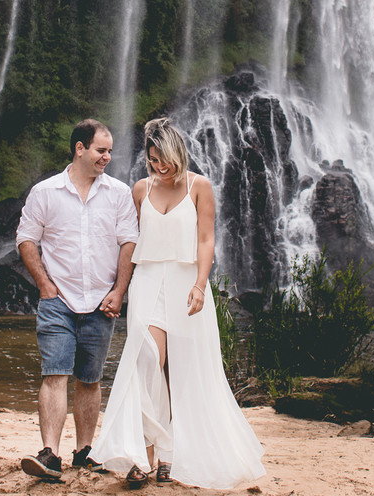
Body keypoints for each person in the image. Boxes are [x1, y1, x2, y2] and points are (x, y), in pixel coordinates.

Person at [92, 117, 265, 489]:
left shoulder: (199, 186)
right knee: (147, 361)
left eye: (163, 158)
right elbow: (129, 240)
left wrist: (202, 285)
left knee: (180, 370)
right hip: (149, 280)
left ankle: (169, 456)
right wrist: (116, 288)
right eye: (152, 160)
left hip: (187, 282)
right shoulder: (140, 189)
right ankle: (143, 454)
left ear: (177, 151)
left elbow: (206, 240)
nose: (159, 166)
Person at [16, 118, 139, 481]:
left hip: (101, 301)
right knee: (54, 374)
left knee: (90, 379)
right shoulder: (45, 192)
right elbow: (26, 238)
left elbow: (129, 242)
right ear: (80, 148)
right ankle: (50, 454)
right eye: (102, 150)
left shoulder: (118, 193)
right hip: (58, 299)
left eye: (110, 151)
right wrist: (43, 283)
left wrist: (119, 292)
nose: (107, 157)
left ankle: (84, 451)